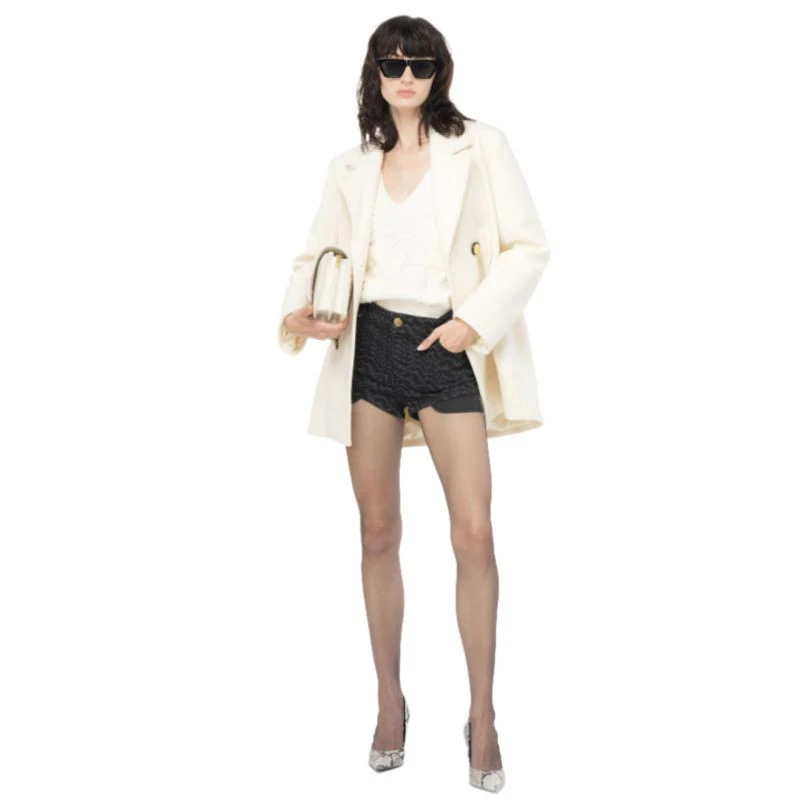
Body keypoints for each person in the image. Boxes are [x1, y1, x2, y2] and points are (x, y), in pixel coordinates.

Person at [278, 15, 550, 794]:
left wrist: (472, 323)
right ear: (376, 72)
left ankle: (484, 715)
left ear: (439, 72)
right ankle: (389, 701)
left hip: (446, 348)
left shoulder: (481, 146)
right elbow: (315, 254)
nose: (406, 76)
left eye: (420, 64)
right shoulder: (351, 165)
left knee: (475, 536)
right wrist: (301, 311)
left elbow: (529, 246)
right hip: (369, 350)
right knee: (377, 533)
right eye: (393, 63)